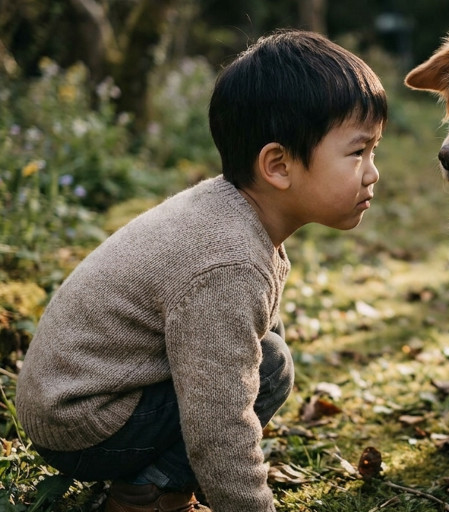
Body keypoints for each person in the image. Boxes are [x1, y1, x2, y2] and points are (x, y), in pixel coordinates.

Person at [16, 29, 387, 512]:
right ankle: (149, 496)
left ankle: (147, 481)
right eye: (358, 152)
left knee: (265, 355)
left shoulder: (233, 216)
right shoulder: (226, 262)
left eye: (373, 151)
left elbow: (241, 342)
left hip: (83, 398)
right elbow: (220, 424)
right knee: (270, 369)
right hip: (82, 421)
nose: (373, 171)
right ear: (277, 165)